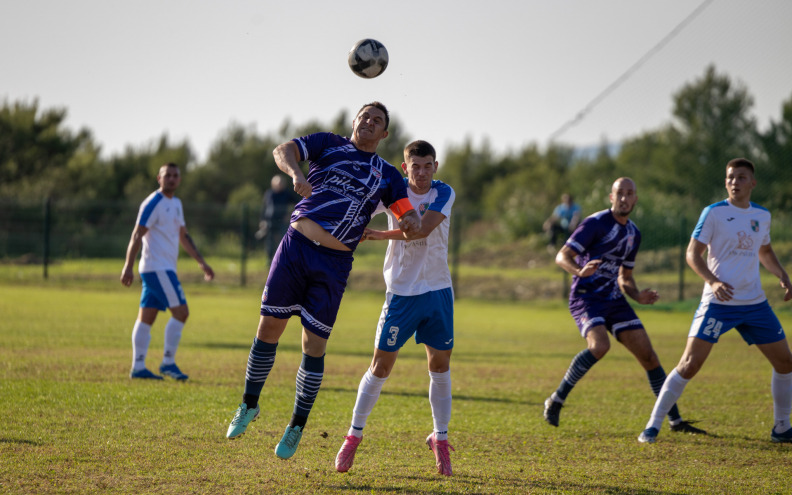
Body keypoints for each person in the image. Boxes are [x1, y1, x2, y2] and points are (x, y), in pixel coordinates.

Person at [224, 102, 422, 460]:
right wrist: (296, 175)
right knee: (268, 329)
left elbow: (408, 216)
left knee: (313, 346)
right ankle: (248, 404)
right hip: (295, 247)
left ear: (384, 134)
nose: (369, 123)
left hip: (333, 263)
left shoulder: (387, 174)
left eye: (377, 121)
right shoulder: (328, 143)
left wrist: (408, 221)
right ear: (354, 122)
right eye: (365, 117)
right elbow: (281, 150)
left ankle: (296, 425)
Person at [638, 158, 792, 444]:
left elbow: (765, 251)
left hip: (755, 304)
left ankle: (781, 427)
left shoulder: (763, 215)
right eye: (731, 177)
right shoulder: (714, 213)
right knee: (689, 364)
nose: (735, 182)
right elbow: (692, 254)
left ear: (752, 183)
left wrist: (782, 275)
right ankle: (652, 425)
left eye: (741, 177)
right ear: (726, 182)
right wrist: (713, 281)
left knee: (786, 362)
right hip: (718, 303)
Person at [543, 177, 705, 437]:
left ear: (635, 199)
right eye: (619, 193)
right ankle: (556, 399)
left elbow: (625, 278)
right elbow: (562, 255)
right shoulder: (595, 223)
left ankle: (675, 420)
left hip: (614, 299)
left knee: (649, 357)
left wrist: (638, 296)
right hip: (586, 297)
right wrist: (579, 271)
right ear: (611, 197)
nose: (624, 198)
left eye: (629, 194)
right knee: (599, 346)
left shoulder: (634, 234)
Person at [334, 140, 457, 476]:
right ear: (405, 168)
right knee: (381, 367)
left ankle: (440, 439)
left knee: (440, 366)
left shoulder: (443, 193)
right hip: (402, 293)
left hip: (437, 291)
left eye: (427, 165)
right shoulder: (393, 190)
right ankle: (353, 436)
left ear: (435, 166)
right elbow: (358, 208)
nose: (421, 172)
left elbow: (421, 229)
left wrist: (376, 235)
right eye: (414, 166)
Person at [121, 162, 215, 381]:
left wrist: (201, 262)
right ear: (159, 178)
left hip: (163, 269)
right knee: (182, 312)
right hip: (157, 269)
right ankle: (168, 363)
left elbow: (183, 235)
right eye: (167, 175)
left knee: (147, 317)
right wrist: (128, 265)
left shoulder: (176, 204)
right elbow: (137, 235)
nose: (171, 179)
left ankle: (138, 367)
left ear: (179, 180)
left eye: (175, 176)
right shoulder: (153, 203)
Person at [256, 174, 300, 260]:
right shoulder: (269, 193)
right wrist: (262, 220)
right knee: (270, 243)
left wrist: (290, 215)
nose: (279, 185)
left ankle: (282, 260)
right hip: (269, 222)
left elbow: (298, 204)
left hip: (282, 222)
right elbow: (264, 208)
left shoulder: (287, 194)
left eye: (281, 183)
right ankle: (269, 262)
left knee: (282, 242)